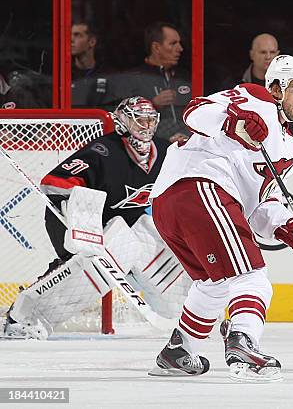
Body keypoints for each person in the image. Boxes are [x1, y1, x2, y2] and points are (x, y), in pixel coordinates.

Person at [147, 54, 293, 381]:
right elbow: (195, 111)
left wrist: (291, 229)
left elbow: (261, 206)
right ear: (276, 88)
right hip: (199, 185)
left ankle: (179, 350)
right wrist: (234, 121)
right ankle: (243, 342)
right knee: (252, 276)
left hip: (177, 203)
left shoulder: (291, 148)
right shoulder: (255, 97)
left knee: (215, 284)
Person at [2, 97, 190, 339]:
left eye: (149, 120)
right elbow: (54, 184)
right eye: (138, 120)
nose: (145, 126)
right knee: (98, 263)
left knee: (155, 244)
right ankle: (24, 317)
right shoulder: (103, 151)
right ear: (122, 121)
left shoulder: (165, 152)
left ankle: (186, 319)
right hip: (81, 223)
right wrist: (82, 223)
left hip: (129, 225)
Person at [119, 22, 191, 143]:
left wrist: (186, 135)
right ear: (156, 47)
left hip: (187, 144)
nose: (180, 49)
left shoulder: (185, 77)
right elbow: (121, 118)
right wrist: (153, 104)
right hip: (151, 147)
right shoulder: (133, 78)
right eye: (173, 44)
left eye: (179, 43)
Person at [238, 33, 293, 142]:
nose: (268, 57)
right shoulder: (236, 85)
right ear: (252, 54)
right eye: (263, 52)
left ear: (278, 54)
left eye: (272, 52)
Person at [71, 21, 111, 109]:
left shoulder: (107, 74)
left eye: (77, 35)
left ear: (92, 42)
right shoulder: (64, 75)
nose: (71, 39)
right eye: (70, 35)